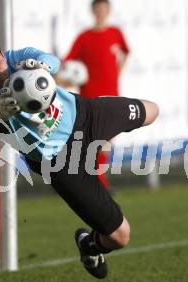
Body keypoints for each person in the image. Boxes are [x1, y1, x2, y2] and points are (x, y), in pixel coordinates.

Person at [0, 35, 159, 279]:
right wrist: (6, 117)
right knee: (120, 237)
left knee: (152, 110)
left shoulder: (15, 59)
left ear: (3, 54)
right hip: (61, 162)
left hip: (85, 116)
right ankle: (91, 245)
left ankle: (92, 242)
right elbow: (22, 144)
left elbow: (51, 61)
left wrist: (41, 68)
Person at [62, 0, 130, 189]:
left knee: (107, 139)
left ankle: (97, 179)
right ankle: (98, 181)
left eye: (104, 9)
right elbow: (68, 63)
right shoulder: (84, 37)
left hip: (112, 93)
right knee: (96, 138)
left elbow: (126, 52)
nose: (101, 12)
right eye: (98, 9)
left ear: (108, 11)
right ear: (93, 11)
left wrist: (118, 71)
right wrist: (69, 81)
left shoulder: (115, 33)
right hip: (91, 95)